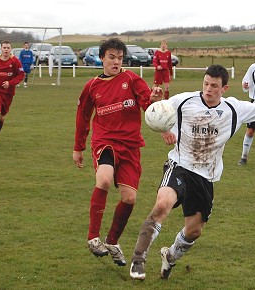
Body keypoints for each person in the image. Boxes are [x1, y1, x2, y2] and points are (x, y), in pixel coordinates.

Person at [129, 64, 255, 280]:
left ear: (224, 88)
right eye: (206, 84)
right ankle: (138, 259)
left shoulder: (233, 108)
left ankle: (169, 257)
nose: (208, 89)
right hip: (180, 165)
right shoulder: (184, 101)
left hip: (206, 175)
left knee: (194, 231)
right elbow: (158, 114)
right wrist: (158, 108)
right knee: (162, 204)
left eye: (214, 86)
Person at [72, 37, 163, 267]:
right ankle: (93, 237)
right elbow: (83, 117)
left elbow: (147, 103)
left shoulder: (132, 79)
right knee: (103, 179)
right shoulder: (92, 86)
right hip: (105, 141)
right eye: (111, 57)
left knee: (130, 198)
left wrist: (152, 100)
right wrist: (78, 147)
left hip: (131, 145)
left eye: (120, 58)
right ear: (102, 58)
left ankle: (112, 241)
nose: (116, 62)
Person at [0, 40, 24, 149]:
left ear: (10, 49)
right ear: (1, 49)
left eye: (8, 48)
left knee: (1, 118)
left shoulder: (15, 61)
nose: (6, 49)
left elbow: (21, 75)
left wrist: (10, 83)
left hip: (8, 93)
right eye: (4, 48)